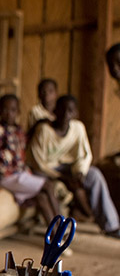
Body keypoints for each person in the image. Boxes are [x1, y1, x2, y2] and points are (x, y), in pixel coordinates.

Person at [28, 95, 120, 238]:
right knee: (40, 179)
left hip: (70, 168)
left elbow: (84, 155)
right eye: (62, 110)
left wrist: (80, 172)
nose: (66, 114)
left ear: (75, 113)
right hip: (49, 170)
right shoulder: (44, 131)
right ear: (55, 111)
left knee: (95, 175)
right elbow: (38, 163)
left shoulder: (78, 128)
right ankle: (60, 227)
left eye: (70, 110)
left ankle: (111, 226)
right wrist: (62, 178)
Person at [0, 94, 59, 225]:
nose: (9, 114)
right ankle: (62, 224)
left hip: (21, 174)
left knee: (41, 197)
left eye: (13, 110)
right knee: (48, 186)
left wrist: (38, 125)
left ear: (18, 112)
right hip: (8, 177)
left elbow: (25, 141)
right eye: (5, 110)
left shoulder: (18, 130)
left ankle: (54, 236)